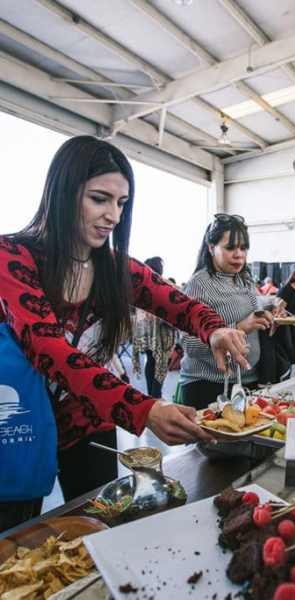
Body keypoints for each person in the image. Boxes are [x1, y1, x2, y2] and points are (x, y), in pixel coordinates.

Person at [0, 136, 248, 529]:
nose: (113, 215)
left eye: (121, 203)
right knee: (14, 539)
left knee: (96, 526)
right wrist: (144, 408)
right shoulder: (12, 257)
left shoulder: (115, 267)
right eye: (99, 199)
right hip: (19, 421)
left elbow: (178, 303)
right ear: (63, 192)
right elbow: (48, 349)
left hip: (89, 422)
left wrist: (214, 329)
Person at [179, 214, 273, 410]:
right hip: (208, 386)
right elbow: (187, 342)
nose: (239, 254)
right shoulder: (200, 284)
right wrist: (239, 327)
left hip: (247, 382)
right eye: (230, 248)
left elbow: (251, 312)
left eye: (243, 248)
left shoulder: (244, 280)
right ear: (211, 248)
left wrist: (267, 314)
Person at [132, 257, 176, 398]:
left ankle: (152, 394)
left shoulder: (142, 287)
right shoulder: (165, 286)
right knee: (160, 362)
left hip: (147, 333)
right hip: (161, 334)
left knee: (151, 361)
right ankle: (156, 395)